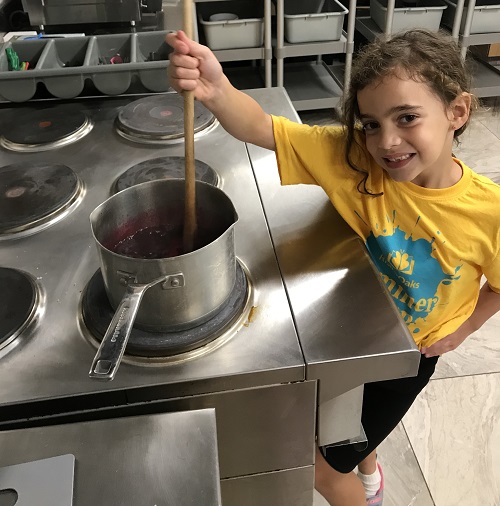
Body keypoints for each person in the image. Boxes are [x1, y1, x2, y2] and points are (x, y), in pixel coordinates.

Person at [166, 28, 500, 506]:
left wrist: (463, 331)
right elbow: (264, 127)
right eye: (370, 123)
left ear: (457, 112)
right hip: (355, 335)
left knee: (321, 466)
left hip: (411, 355)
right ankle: (368, 465)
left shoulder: (489, 212)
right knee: (346, 428)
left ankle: (364, 488)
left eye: (407, 118)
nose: (387, 142)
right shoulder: (353, 159)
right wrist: (217, 90)